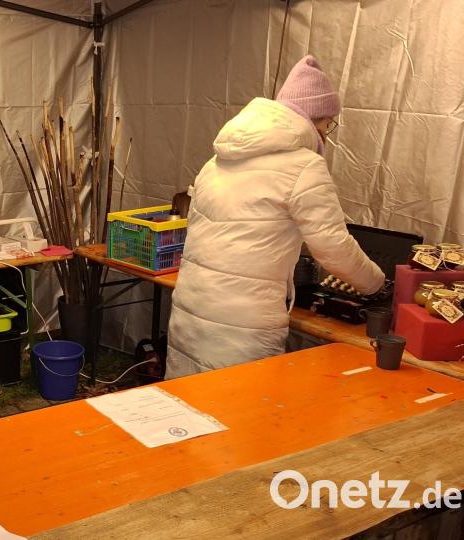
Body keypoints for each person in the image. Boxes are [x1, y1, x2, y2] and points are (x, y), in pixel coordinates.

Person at [165, 55, 385, 378]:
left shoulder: (216, 161)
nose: (327, 134)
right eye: (328, 124)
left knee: (186, 414)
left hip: (190, 314)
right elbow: (334, 249)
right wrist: (377, 284)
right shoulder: (304, 167)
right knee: (241, 417)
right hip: (243, 329)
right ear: (315, 119)